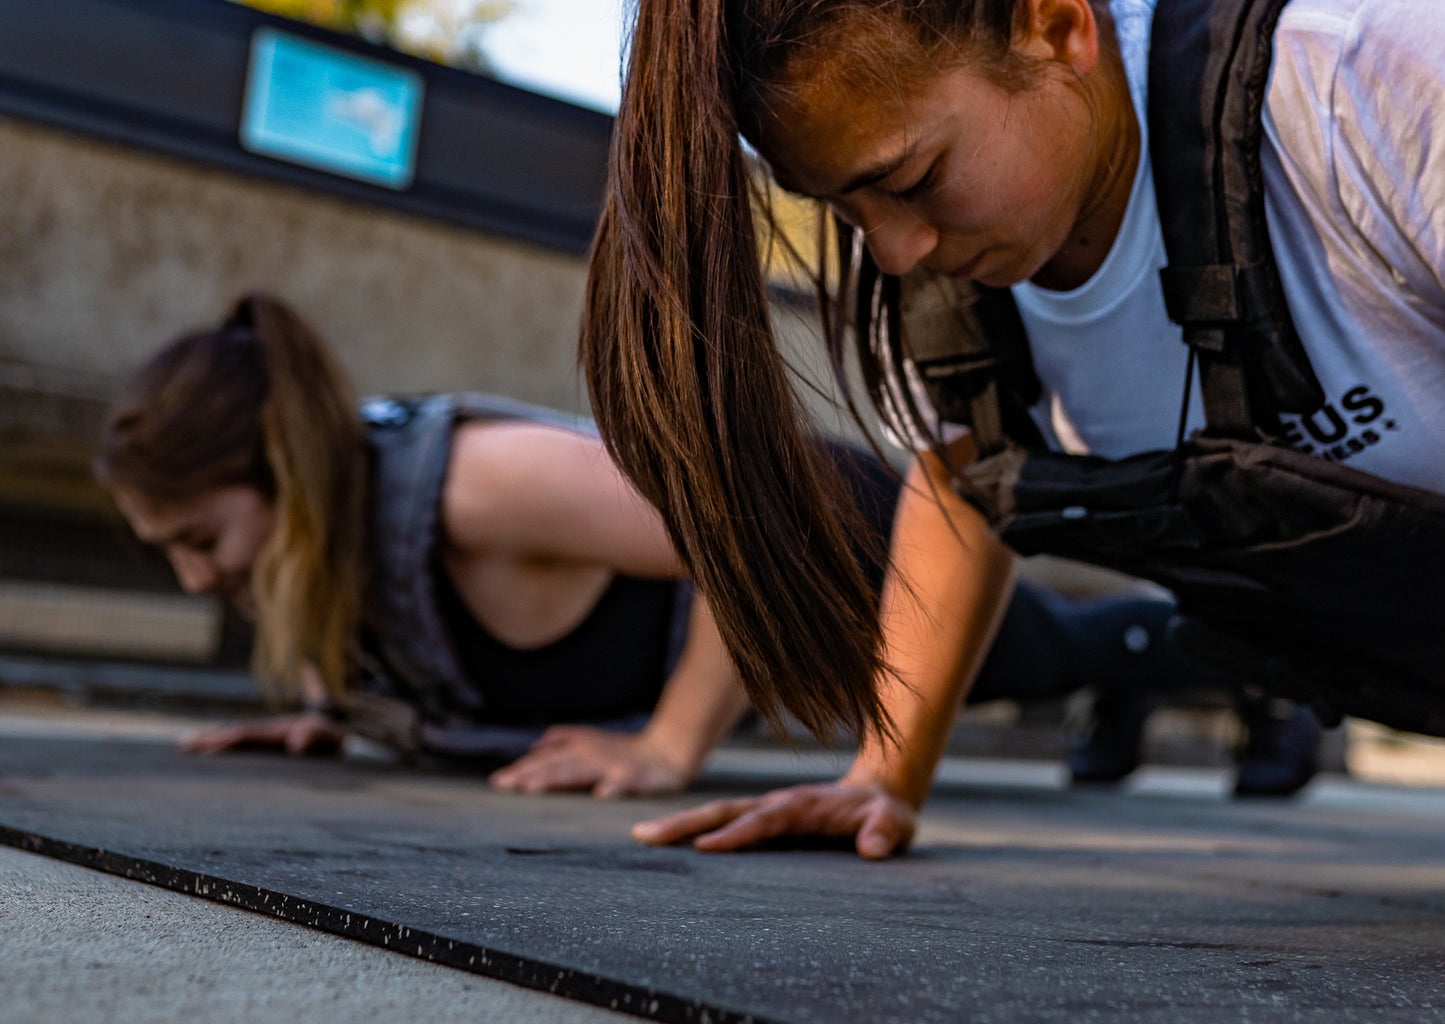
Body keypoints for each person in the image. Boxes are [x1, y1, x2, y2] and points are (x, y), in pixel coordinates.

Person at [577, 0, 1443, 859]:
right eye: (842, 207)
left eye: (910, 179)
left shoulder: (1362, 76)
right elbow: (962, 478)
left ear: (1055, 30)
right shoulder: (940, 287)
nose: (890, 250)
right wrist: (884, 774)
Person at [96, 295, 1286, 796]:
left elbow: (733, 530)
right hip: (759, 584)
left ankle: (1256, 669)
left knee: (1034, 654)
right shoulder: (330, 545)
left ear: (281, 476)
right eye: (171, 554)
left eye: (202, 538)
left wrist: (670, 745)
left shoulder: (475, 488)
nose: (200, 575)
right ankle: (1126, 690)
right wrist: (330, 705)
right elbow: (354, 600)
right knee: (1041, 662)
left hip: (825, 524)